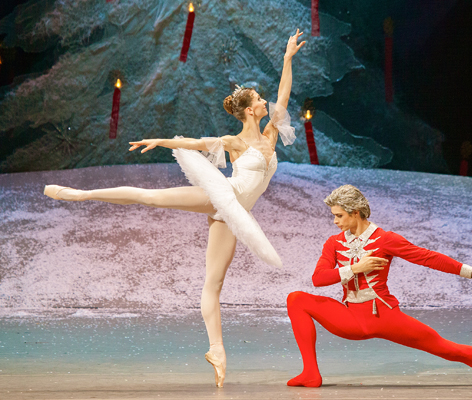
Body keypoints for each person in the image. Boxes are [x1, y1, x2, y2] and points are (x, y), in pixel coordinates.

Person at [43, 29, 306, 388]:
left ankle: (217, 351)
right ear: (248, 110)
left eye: (263, 98)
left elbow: (284, 94)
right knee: (149, 197)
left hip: (234, 216)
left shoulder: (272, 134)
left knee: (213, 284)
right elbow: (195, 143)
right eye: (259, 99)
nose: (266, 102)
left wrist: (288, 58)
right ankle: (80, 195)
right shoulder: (234, 142)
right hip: (222, 196)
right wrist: (160, 140)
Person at [286, 184, 472, 388]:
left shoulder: (385, 239)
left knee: (448, 349)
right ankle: (311, 373)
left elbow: (427, 257)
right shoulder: (334, 243)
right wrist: (355, 268)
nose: (335, 222)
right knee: (296, 299)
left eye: (338, 216)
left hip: (383, 316)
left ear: (355, 212)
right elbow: (318, 279)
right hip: (350, 319)